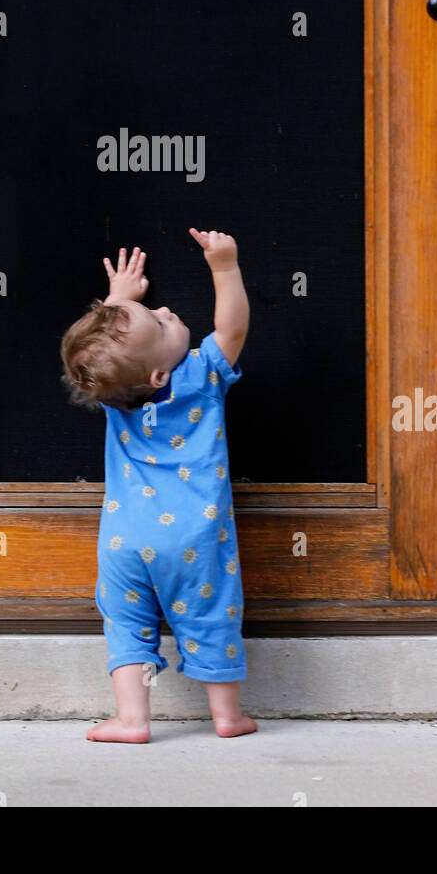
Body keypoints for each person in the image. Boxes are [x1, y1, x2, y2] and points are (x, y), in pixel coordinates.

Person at [60, 230, 257, 742]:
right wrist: (224, 267)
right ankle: (227, 717)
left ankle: (132, 719)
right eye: (162, 321)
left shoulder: (113, 395)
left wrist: (120, 301)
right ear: (155, 374)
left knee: (126, 624)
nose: (167, 310)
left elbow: (95, 366)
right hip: (196, 538)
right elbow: (231, 328)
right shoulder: (200, 375)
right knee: (211, 615)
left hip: (123, 541)